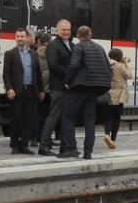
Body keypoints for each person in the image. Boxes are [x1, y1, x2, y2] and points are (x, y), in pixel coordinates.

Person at [60, 25, 111, 159]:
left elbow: (74, 65)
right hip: (95, 89)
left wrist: (67, 81)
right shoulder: (100, 48)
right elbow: (108, 67)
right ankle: (88, 152)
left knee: (67, 116)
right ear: (91, 34)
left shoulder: (79, 47)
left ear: (77, 36)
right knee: (89, 119)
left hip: (80, 86)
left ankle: (71, 148)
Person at [3, 28, 45, 154]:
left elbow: (38, 73)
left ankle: (24, 145)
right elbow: (6, 73)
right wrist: (9, 88)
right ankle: (14, 145)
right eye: (17, 36)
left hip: (31, 91)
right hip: (17, 91)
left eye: (22, 36)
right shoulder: (10, 53)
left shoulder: (34, 54)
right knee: (16, 118)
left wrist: (41, 90)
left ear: (27, 38)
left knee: (29, 119)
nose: (19, 38)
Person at [39, 20, 73, 155]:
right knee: (54, 116)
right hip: (58, 86)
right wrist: (70, 75)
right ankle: (44, 146)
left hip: (69, 86)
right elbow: (53, 65)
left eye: (68, 30)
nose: (66, 32)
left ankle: (65, 146)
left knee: (66, 116)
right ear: (57, 30)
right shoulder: (53, 45)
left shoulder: (70, 44)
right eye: (63, 30)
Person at [105, 48, 132, 148]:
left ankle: (106, 134)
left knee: (109, 116)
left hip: (109, 93)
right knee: (117, 117)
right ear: (119, 56)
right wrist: (126, 64)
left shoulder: (107, 64)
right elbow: (129, 75)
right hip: (119, 94)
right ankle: (112, 139)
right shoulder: (119, 65)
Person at [34, 31, 51, 146]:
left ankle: (35, 137)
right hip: (48, 87)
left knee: (38, 113)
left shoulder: (35, 53)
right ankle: (42, 137)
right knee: (45, 114)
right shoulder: (50, 53)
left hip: (39, 87)